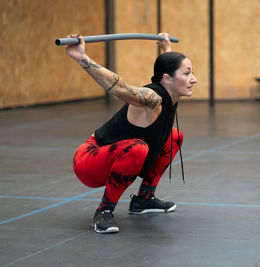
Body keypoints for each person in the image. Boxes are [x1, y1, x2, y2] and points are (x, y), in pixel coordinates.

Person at [66, 33, 197, 234]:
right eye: (187, 73)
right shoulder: (151, 98)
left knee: (174, 136)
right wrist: (80, 57)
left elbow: (169, 70)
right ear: (167, 79)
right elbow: (119, 88)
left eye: (191, 73)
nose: (193, 79)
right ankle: (104, 211)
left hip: (113, 155)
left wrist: (166, 48)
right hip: (89, 160)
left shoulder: (169, 89)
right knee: (137, 148)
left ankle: (144, 199)